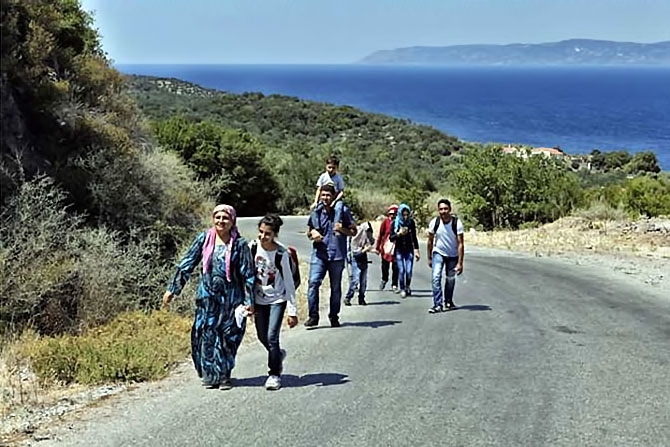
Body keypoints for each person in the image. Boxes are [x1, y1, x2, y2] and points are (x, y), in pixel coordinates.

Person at [162, 204, 255, 390]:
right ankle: (210, 375)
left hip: (231, 300)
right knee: (206, 334)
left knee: (228, 337)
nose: (221, 221)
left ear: (232, 221)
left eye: (225, 218)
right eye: (218, 217)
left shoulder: (240, 244)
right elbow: (186, 263)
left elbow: (248, 275)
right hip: (207, 298)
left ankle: (224, 375)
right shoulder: (204, 239)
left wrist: (250, 301)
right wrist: (173, 289)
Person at [250, 214, 298, 391]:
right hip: (258, 298)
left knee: (271, 337)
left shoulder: (281, 254)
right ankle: (277, 354)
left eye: (267, 234)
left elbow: (289, 283)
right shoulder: (252, 247)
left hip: (277, 299)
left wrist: (292, 311)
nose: (263, 237)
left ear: (275, 234)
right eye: (261, 232)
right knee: (262, 337)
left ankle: (274, 373)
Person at [305, 183, 357, 327]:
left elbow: (354, 231)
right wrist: (312, 234)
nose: (325, 198)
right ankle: (313, 316)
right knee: (313, 283)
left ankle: (334, 316)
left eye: (328, 195)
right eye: (323, 195)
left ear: (333, 196)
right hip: (319, 254)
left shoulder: (343, 211)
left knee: (335, 288)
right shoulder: (316, 212)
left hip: (337, 255)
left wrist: (342, 230)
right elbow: (309, 231)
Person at [427, 198, 465, 313]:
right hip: (438, 252)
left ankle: (448, 301)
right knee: (436, 277)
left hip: (453, 255)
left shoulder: (456, 223)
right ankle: (437, 304)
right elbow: (430, 241)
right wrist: (429, 257)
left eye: (445, 209)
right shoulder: (435, 222)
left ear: (450, 209)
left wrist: (460, 263)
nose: (443, 211)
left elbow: (460, 244)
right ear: (438, 210)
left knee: (450, 279)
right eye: (441, 209)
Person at [389, 203, 420, 298]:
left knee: (409, 270)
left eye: (407, 214)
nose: (405, 217)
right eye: (404, 215)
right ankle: (402, 288)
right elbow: (391, 237)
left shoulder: (411, 223)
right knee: (401, 270)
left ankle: (407, 286)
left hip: (409, 250)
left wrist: (416, 250)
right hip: (399, 250)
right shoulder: (395, 223)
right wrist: (399, 234)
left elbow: (414, 237)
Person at [344, 221, 375, 306]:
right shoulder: (355, 237)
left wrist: (373, 249)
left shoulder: (366, 238)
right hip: (356, 260)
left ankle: (361, 298)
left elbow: (371, 243)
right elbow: (356, 253)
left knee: (363, 281)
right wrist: (365, 249)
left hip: (363, 260)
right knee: (355, 280)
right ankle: (348, 297)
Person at [311, 155, 345, 223]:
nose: (331, 170)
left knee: (339, 208)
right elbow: (319, 189)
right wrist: (315, 201)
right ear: (326, 166)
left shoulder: (338, 178)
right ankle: (316, 226)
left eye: (333, 168)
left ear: (337, 168)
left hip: (335, 199)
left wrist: (334, 201)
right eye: (329, 167)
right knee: (315, 209)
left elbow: (341, 191)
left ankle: (336, 224)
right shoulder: (323, 177)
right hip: (324, 199)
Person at [375, 204, 399, 292]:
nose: (392, 216)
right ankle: (384, 279)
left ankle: (395, 284)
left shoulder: (399, 222)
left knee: (396, 267)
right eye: (391, 214)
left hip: (396, 247)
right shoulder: (385, 222)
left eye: (394, 214)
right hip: (386, 247)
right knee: (385, 265)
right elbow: (380, 235)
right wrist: (378, 247)